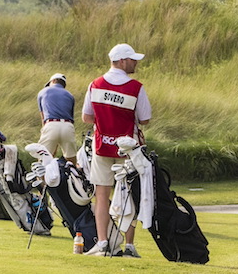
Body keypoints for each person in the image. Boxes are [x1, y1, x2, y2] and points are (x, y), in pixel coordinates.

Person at [81, 43, 152, 256]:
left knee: (101, 196)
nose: (135, 62)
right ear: (122, 61)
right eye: (132, 59)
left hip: (102, 146)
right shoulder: (135, 87)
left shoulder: (95, 84)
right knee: (128, 195)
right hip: (127, 150)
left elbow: (86, 117)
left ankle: (102, 243)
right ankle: (129, 245)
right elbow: (145, 119)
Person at [37, 74, 78, 160]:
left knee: (43, 161)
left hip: (51, 124)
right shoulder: (70, 95)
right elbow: (71, 116)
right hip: (67, 126)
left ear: (53, 81)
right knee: (71, 160)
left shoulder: (43, 91)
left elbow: (43, 117)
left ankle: (43, 173)